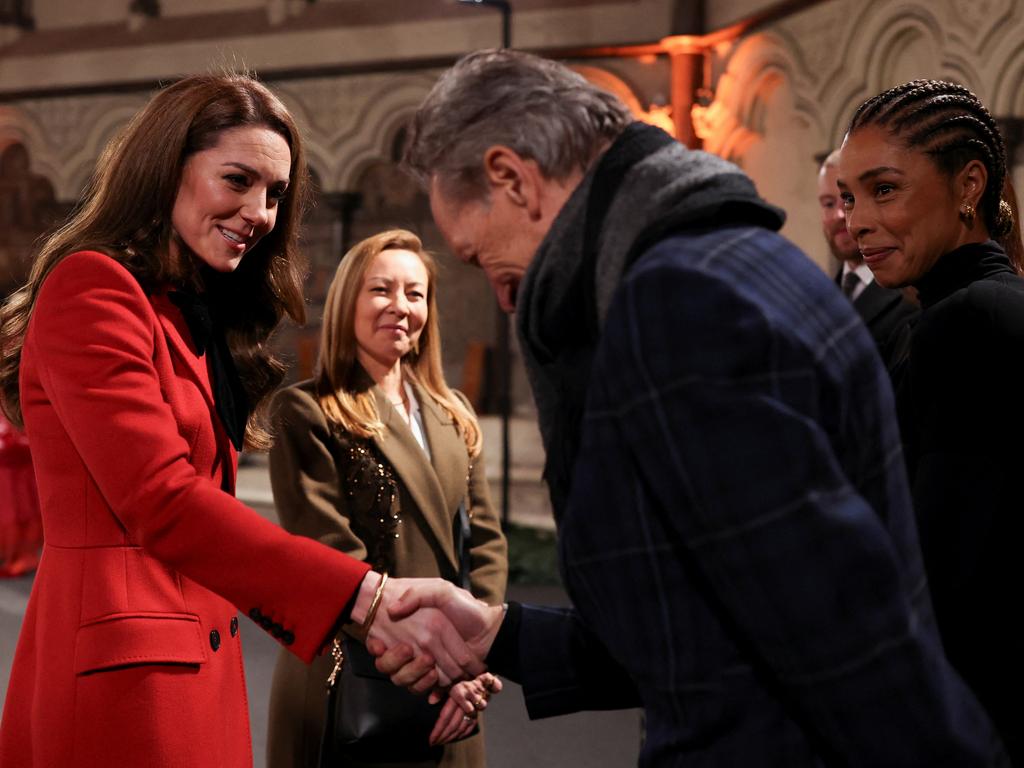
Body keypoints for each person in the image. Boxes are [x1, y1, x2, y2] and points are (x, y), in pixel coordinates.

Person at [370, 50, 1006, 766]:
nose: (503, 296)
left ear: (512, 179)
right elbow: (716, 625)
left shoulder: (678, 306)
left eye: (480, 257)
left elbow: (847, 646)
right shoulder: (743, 261)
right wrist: (501, 634)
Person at [0, 72, 486, 768]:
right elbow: (162, 501)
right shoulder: (94, 286)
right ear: (166, 169)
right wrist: (365, 596)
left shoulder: (182, 309)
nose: (259, 211)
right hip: (123, 681)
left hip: (190, 660)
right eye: (237, 180)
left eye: (276, 194)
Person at [266, 229, 507, 768]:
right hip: (359, 673)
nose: (400, 307)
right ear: (349, 300)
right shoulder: (309, 412)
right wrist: (441, 663)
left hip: (454, 682)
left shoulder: (455, 413)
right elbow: (330, 553)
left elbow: (487, 544)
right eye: (381, 290)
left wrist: (480, 651)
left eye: (415, 294)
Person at [837, 78, 1024, 764]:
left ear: (968, 184)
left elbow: (937, 578)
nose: (857, 221)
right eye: (850, 197)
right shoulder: (968, 312)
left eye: (884, 190)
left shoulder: (968, 324)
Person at [818, 149, 917, 369]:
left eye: (847, 199)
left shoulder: (912, 295)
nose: (839, 215)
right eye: (828, 204)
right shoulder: (817, 300)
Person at [0, 410, 41, 577]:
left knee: (22, 512)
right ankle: (16, 556)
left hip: (21, 469)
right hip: (11, 469)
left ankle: (23, 556)